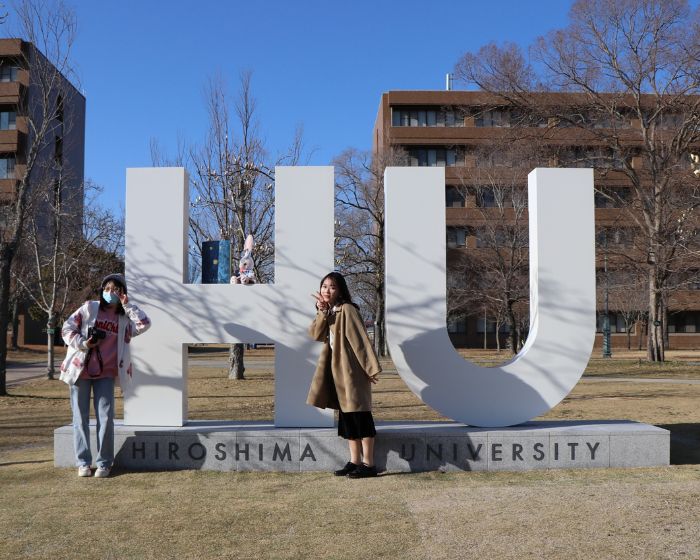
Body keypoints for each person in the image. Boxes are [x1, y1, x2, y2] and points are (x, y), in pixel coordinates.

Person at [60, 273, 151, 478]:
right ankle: (83, 462)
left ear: (122, 294)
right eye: (107, 289)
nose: (110, 293)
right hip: (80, 370)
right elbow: (67, 328)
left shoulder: (124, 319)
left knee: (106, 418)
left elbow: (144, 324)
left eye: (116, 290)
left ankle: (104, 463)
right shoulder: (89, 308)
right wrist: (84, 343)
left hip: (106, 373)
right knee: (80, 418)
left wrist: (128, 306)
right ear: (102, 290)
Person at [307, 271, 381, 478]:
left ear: (340, 290)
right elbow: (315, 334)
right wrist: (321, 312)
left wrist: (370, 367)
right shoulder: (330, 312)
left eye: (332, 286)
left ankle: (369, 464)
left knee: (360, 416)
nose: (327, 290)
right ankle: (354, 461)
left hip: (352, 372)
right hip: (337, 372)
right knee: (347, 418)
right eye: (324, 286)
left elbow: (361, 340)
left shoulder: (347, 309)